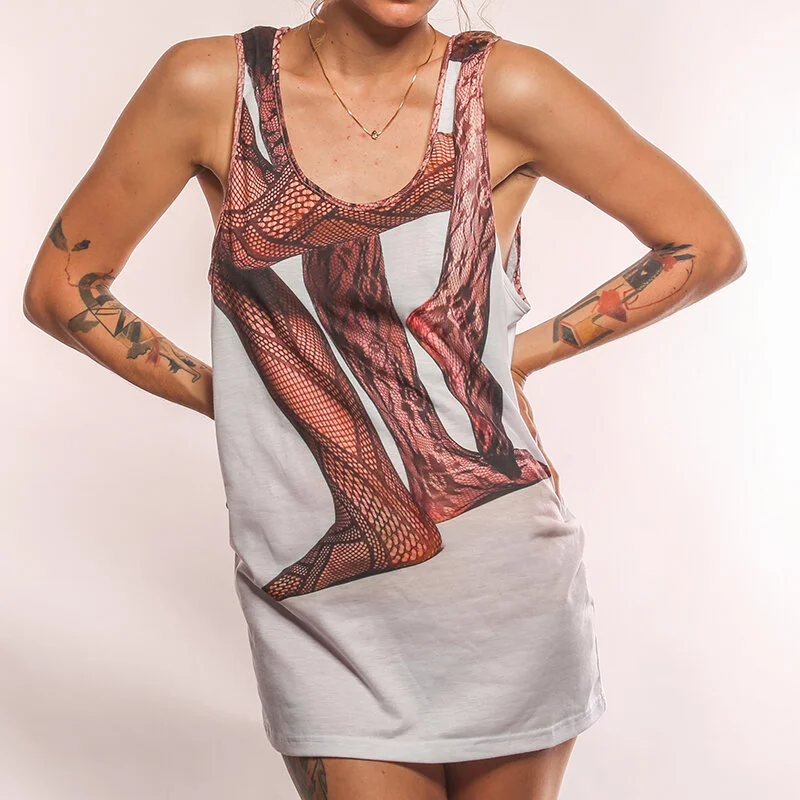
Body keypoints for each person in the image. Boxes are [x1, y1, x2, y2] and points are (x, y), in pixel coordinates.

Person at [22, 0, 746, 797]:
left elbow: (703, 245)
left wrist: (520, 357)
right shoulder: (209, 85)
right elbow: (63, 287)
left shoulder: (506, 87)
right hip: (328, 621)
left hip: (504, 588)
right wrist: (238, 395)